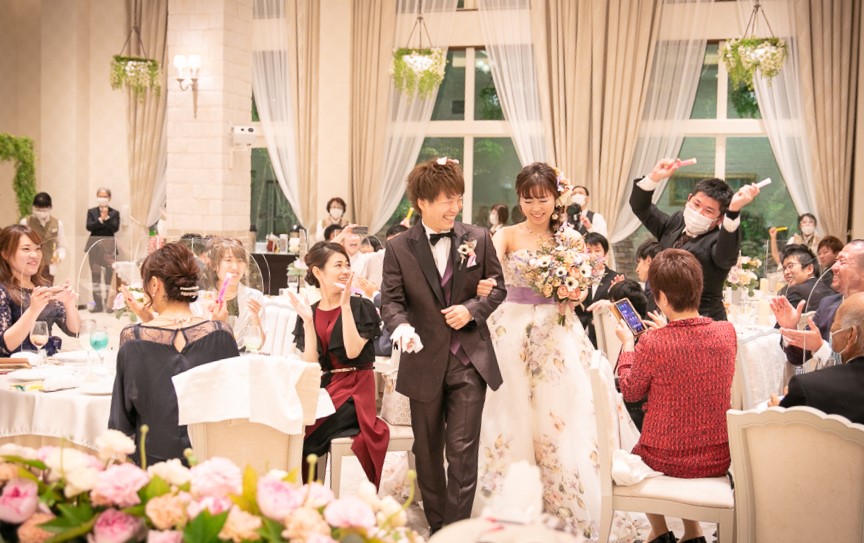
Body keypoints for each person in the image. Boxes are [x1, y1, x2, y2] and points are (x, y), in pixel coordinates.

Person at [472, 162, 643, 538]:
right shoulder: (506, 235)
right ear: (519, 200)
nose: (536, 208)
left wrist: (572, 290)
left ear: (556, 199)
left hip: (556, 333)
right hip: (511, 329)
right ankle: (509, 503)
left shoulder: (572, 240)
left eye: (543, 199)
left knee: (561, 415)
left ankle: (562, 503)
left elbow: (581, 291)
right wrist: (484, 285)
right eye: (528, 199)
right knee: (509, 412)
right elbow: (487, 274)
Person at [380, 158, 507, 533]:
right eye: (446, 200)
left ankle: (456, 533)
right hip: (422, 360)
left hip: (468, 360)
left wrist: (471, 310)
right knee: (427, 451)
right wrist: (401, 328)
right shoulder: (399, 247)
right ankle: (438, 527)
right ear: (422, 201)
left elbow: (497, 288)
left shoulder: (478, 238)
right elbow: (391, 301)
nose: (455, 207)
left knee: (463, 452)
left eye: (459, 198)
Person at [617, 249, 736, 543]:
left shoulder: (653, 342)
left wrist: (628, 347)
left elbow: (630, 391)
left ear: (661, 298)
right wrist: (666, 332)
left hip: (664, 459)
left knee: (636, 454)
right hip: (717, 458)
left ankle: (659, 531)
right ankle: (693, 533)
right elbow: (691, 353)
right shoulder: (727, 332)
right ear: (698, 288)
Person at [109, 243, 239, 465]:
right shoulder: (221, 334)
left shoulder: (133, 339)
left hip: (153, 466)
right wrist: (219, 328)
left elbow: (120, 423)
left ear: (154, 284)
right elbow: (233, 408)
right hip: (208, 465)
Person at [288, 242, 389, 486]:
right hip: (328, 387)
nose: (345, 271)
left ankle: (312, 495)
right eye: (338, 265)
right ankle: (305, 493)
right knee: (293, 425)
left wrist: (345, 306)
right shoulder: (311, 311)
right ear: (318, 272)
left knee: (309, 434)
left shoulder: (361, 306)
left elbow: (353, 352)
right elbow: (312, 365)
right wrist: (308, 322)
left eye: (347, 265)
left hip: (356, 390)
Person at [629, 158, 760, 321]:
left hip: (701, 323)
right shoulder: (676, 222)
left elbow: (727, 256)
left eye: (708, 211)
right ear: (689, 198)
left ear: (719, 219)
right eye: (696, 204)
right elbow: (641, 207)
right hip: (658, 317)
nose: (698, 213)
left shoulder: (718, 242)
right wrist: (654, 177)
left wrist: (733, 211)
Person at [770, 292, 864, 425]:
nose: (831, 333)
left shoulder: (807, 388)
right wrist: (790, 329)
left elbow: (784, 431)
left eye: (834, 326)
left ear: (851, 335)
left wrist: (778, 411)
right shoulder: (827, 302)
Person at [772, 240, 864, 372]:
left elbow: (855, 373)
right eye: (836, 261)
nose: (834, 267)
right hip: (821, 383)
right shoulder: (828, 304)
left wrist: (821, 347)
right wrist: (790, 327)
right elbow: (797, 358)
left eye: (842, 262)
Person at [0, 225, 80, 357]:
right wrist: (33, 310)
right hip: (15, 366)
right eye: (26, 249)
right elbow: (4, 346)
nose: (35, 255)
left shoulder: (43, 286)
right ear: (6, 254)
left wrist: (69, 303)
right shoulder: (3, 290)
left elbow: (75, 331)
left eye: (38, 248)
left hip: (44, 361)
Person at [200, 238, 265, 348]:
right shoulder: (204, 297)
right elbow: (197, 340)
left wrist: (255, 317)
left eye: (240, 261)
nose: (235, 267)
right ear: (214, 265)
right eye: (228, 260)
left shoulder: (254, 297)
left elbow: (259, 345)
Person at [576, 232, 622, 347]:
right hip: (578, 333)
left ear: (605, 254)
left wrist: (616, 293)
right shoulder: (576, 277)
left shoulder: (615, 278)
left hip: (604, 336)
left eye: (597, 251)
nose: (593, 255)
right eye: (588, 251)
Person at [85, 187, 121, 312]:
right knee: (95, 278)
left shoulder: (114, 213)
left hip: (109, 250)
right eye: (100, 196)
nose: (102, 198)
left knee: (109, 277)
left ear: (109, 198)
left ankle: (109, 304)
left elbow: (114, 228)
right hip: (94, 249)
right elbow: (89, 226)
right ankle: (98, 305)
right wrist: (100, 219)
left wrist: (106, 218)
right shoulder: (92, 212)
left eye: (105, 196)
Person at [19, 192, 66, 285]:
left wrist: (59, 257)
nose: (41, 212)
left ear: (50, 208)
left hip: (49, 266)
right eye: (38, 209)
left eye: (44, 210)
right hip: (30, 264)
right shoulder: (25, 222)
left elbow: (62, 245)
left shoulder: (57, 223)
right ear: (33, 208)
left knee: (48, 290)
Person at [778, 244, 833, 314]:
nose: (786, 272)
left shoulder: (794, 291)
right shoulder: (828, 290)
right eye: (784, 268)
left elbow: (783, 320)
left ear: (809, 269)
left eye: (790, 266)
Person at [635, 239, 663, 314]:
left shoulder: (655, 288)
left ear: (648, 260)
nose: (636, 270)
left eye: (639, 262)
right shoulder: (651, 286)